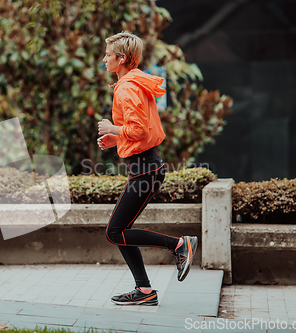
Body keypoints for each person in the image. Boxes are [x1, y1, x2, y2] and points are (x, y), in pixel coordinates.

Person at [97, 31, 198, 306]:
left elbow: (138, 129)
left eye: (108, 55)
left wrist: (112, 128)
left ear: (122, 59)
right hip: (146, 167)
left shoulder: (128, 87)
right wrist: (116, 138)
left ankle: (179, 244)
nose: (104, 60)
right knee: (121, 230)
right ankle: (144, 291)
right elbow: (142, 131)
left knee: (114, 231)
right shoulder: (135, 82)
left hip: (145, 169)